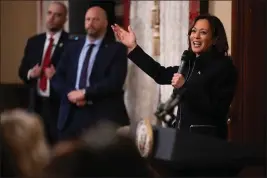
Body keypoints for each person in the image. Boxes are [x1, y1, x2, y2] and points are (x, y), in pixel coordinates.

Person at [112, 14, 238, 139]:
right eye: (193, 31)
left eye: (203, 32)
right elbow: (160, 74)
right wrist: (133, 47)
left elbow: (217, 109)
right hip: (183, 138)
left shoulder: (224, 67)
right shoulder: (190, 64)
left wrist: (185, 87)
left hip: (206, 142)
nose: (196, 36)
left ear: (215, 39)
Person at [52, 6, 129, 141]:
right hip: (71, 115)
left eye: (95, 19)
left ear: (105, 23)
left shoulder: (117, 49)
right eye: (88, 19)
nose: (90, 23)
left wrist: (85, 93)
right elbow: (58, 77)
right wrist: (71, 94)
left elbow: (114, 82)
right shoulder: (71, 47)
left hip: (101, 116)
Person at [18, 2, 69, 145]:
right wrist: (31, 74)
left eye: (57, 15)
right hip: (36, 105)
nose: (52, 18)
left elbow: (75, 78)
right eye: (49, 13)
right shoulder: (34, 41)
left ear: (65, 19)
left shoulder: (71, 44)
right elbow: (22, 71)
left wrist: (55, 76)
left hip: (58, 107)